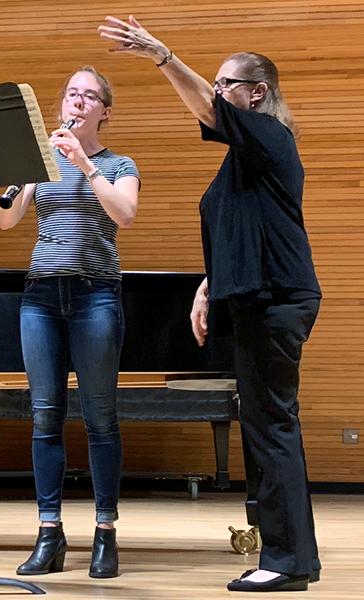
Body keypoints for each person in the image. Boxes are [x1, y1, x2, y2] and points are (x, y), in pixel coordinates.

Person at [99, 16, 322, 593]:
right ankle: (288, 554)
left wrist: (161, 54)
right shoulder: (247, 159)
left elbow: (207, 111)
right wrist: (209, 283)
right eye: (218, 83)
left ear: (257, 93)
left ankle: (289, 561)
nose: (217, 92)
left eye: (227, 84)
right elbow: (247, 229)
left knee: (271, 425)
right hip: (256, 298)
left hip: (275, 301)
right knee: (266, 425)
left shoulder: (269, 135)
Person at [0, 66, 140, 578]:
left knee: (100, 417)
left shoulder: (120, 164)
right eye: (71, 94)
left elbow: (124, 214)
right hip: (40, 296)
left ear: (105, 110)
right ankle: (48, 533)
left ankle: (105, 533)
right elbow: (6, 220)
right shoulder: (40, 163)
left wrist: (84, 162)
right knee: (44, 416)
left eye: (89, 97)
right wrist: (29, 171)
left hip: (96, 296)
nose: (77, 102)